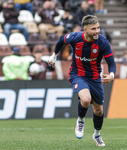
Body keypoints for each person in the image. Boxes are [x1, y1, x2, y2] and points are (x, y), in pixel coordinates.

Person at [48, 15, 116, 146]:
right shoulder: (75, 37)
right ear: (84, 29)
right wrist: (54, 55)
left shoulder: (102, 42)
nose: (97, 31)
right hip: (77, 74)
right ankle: (80, 120)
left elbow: (111, 62)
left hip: (95, 77)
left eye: (98, 28)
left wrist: (112, 75)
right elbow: (62, 40)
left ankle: (97, 134)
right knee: (85, 99)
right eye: (93, 29)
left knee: (99, 111)